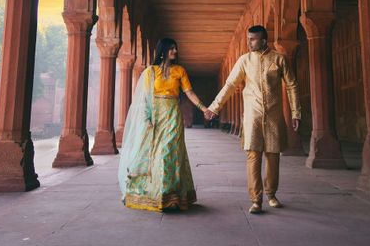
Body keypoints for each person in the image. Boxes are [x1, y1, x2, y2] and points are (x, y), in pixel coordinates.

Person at [204, 25, 300, 214]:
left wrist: (296, 112)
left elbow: (292, 85)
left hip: (273, 117)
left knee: (273, 157)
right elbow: (230, 85)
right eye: (248, 39)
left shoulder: (278, 59)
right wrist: (214, 107)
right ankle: (256, 199)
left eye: (253, 39)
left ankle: (271, 194)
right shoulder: (244, 61)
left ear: (264, 40)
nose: (249, 43)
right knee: (253, 157)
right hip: (252, 117)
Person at [118, 37, 208, 212]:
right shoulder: (150, 72)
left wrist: (203, 108)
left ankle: (170, 196)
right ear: (163, 51)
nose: (175, 51)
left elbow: (189, 92)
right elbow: (144, 98)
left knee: (170, 152)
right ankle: (157, 193)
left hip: (173, 115)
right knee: (156, 154)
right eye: (171, 49)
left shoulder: (180, 71)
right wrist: (146, 119)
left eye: (175, 48)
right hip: (155, 116)